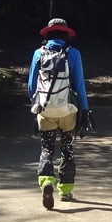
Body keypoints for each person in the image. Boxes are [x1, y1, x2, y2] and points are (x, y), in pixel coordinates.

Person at [28, 17, 92, 209]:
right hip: (67, 111)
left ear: (48, 34)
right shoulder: (73, 54)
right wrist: (85, 109)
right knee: (66, 148)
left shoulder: (38, 53)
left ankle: (47, 181)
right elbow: (79, 84)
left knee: (46, 148)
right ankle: (65, 190)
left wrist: (37, 105)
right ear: (66, 34)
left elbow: (32, 85)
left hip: (45, 109)